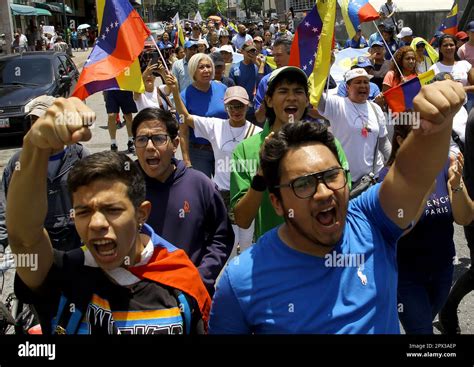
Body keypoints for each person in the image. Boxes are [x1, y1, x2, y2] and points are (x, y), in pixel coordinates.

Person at [209, 80, 466, 333]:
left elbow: (410, 177)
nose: (323, 193)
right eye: (303, 184)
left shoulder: (370, 221)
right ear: (277, 203)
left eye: (331, 175)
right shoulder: (241, 280)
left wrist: (432, 128)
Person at [6, 98, 211, 334]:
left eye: (112, 210)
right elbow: (24, 239)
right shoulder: (65, 271)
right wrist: (34, 147)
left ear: (141, 213)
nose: (97, 223)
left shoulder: (180, 280)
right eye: (83, 211)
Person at [230, 66, 350, 240]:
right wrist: (261, 174)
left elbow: (343, 198)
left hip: (324, 252)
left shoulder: (327, 144)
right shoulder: (245, 150)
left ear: (307, 100)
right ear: (269, 100)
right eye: (283, 91)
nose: (292, 98)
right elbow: (242, 220)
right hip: (273, 258)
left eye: (298, 91)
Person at [378, 123, 472, 334]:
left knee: (423, 323)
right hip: (406, 276)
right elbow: (396, 230)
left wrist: (456, 185)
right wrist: (421, 192)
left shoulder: (444, 167)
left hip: (442, 271)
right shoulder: (387, 177)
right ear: (400, 140)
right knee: (421, 331)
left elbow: (465, 218)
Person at [131, 107, 234, 296]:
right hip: (137, 301)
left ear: (175, 143)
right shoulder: (123, 186)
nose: (150, 147)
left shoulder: (200, 184)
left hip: (190, 295)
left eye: (159, 138)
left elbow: (221, 237)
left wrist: (199, 278)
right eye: (142, 139)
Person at [169, 74, 261, 254]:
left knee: (247, 242)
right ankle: (230, 277)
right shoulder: (215, 126)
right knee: (230, 245)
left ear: (247, 106)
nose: (236, 110)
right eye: (232, 106)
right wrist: (174, 90)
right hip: (222, 193)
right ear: (225, 107)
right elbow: (186, 117)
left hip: (245, 192)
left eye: (240, 105)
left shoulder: (257, 133)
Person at [0, 95, 88, 252]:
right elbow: (4, 201)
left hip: (75, 238)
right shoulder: (20, 161)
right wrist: (2, 240)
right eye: (34, 122)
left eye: (43, 122)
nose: (38, 127)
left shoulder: (81, 156)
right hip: (37, 238)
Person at [319, 68, 390, 186]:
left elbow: (383, 142)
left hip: (374, 178)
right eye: (358, 82)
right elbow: (318, 99)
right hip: (346, 179)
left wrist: (395, 162)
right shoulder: (337, 104)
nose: (363, 85)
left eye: (366, 82)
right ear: (347, 87)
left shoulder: (375, 108)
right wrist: (326, 66)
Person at [179, 53, 227, 177]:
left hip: (223, 149)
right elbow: (183, 131)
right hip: (198, 153)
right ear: (193, 70)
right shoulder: (184, 96)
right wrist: (186, 160)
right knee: (203, 191)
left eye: (208, 66)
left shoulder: (223, 89)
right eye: (201, 67)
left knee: (225, 192)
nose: (206, 70)